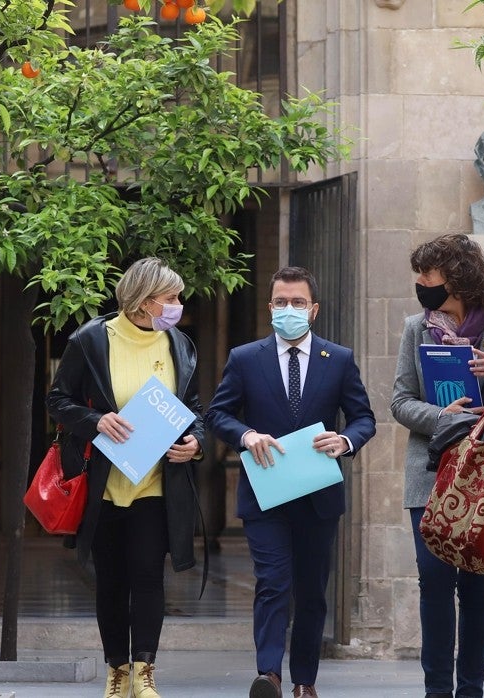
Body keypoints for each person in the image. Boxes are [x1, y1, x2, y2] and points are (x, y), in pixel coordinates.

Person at [205, 266, 377, 698]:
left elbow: (364, 418)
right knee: (272, 583)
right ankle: (269, 675)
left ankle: (305, 681)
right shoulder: (246, 358)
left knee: (311, 591)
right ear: (269, 307)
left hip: (318, 495)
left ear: (313, 310)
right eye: (281, 302)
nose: (289, 309)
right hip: (266, 494)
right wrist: (246, 435)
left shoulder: (338, 359)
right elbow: (217, 414)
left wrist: (345, 440)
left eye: (298, 302)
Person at [46, 257, 206, 698]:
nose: (177, 305)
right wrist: (96, 420)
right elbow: (57, 400)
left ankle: (144, 672)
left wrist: (195, 443)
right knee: (112, 580)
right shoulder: (91, 340)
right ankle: (116, 670)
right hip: (105, 485)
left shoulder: (180, 344)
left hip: (157, 483)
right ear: (144, 299)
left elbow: (194, 410)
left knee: (149, 576)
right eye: (170, 298)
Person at [389, 234, 484, 698]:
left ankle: (471, 691)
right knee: (434, 585)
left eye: (428, 275)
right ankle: (437, 690)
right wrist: (443, 414)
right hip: (431, 475)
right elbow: (400, 401)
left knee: (479, 590)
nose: (421, 284)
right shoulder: (414, 328)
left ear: (457, 277)